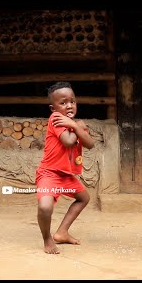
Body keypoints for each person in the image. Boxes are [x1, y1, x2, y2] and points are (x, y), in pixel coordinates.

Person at [36, 81, 95, 254]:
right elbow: (68, 141)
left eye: (72, 101)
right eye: (63, 103)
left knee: (84, 198)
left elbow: (90, 144)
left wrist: (76, 126)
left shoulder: (72, 123)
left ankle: (61, 232)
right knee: (45, 207)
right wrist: (78, 127)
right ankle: (47, 239)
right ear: (53, 108)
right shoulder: (56, 119)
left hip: (65, 176)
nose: (69, 105)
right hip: (49, 173)